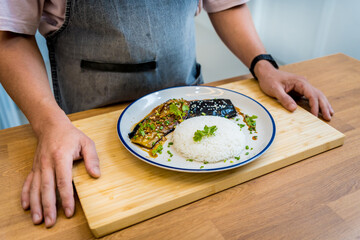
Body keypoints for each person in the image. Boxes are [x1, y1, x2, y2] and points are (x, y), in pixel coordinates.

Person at [0, 0, 333, 228]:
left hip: (193, 104)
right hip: (85, 126)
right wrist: (50, 124)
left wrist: (264, 64)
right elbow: (10, 34)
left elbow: (226, 3)